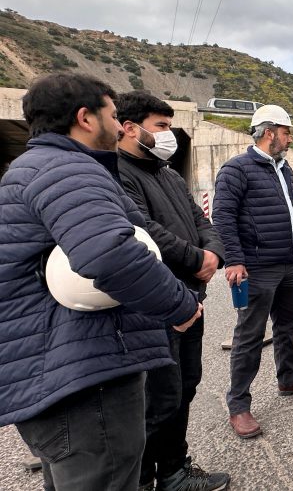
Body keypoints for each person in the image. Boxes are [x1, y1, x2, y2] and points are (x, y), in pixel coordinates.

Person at [0, 73, 202, 490]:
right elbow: (111, 254)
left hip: (59, 373)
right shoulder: (68, 169)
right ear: (85, 119)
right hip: (86, 382)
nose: (117, 124)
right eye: (112, 114)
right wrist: (181, 305)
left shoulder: (32, 169)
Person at [116, 91, 229, 491]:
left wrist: (212, 252)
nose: (169, 135)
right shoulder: (118, 173)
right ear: (130, 128)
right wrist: (195, 259)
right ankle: (145, 479)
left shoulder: (168, 174)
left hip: (191, 299)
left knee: (185, 385)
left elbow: (203, 220)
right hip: (157, 303)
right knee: (157, 398)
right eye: (161, 127)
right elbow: (143, 229)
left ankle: (175, 470)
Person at [213, 104, 293, 440]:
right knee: (249, 335)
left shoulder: (285, 169)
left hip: (290, 262)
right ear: (270, 132)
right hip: (257, 268)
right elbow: (223, 218)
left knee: (288, 323)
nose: (290, 139)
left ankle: (288, 377)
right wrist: (233, 260)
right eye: (287, 132)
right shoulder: (237, 170)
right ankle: (238, 404)